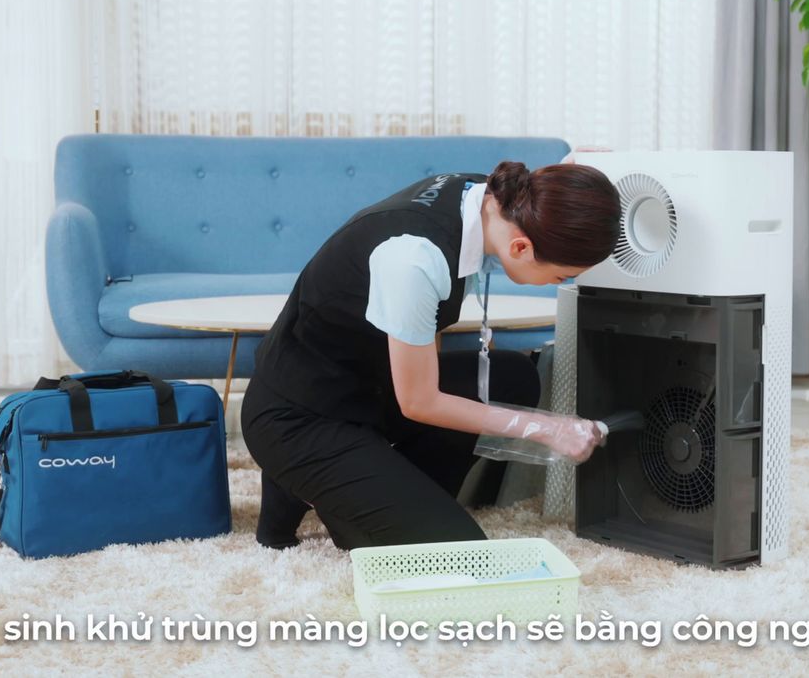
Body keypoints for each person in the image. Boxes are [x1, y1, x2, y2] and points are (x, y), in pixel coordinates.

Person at [240, 158, 621, 550]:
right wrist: (544, 428)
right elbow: (419, 402)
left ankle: (369, 489)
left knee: (513, 378)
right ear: (521, 246)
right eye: (562, 276)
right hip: (298, 416)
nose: (561, 283)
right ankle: (312, 487)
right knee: (450, 551)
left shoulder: (493, 196)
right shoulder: (415, 260)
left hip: (366, 387)